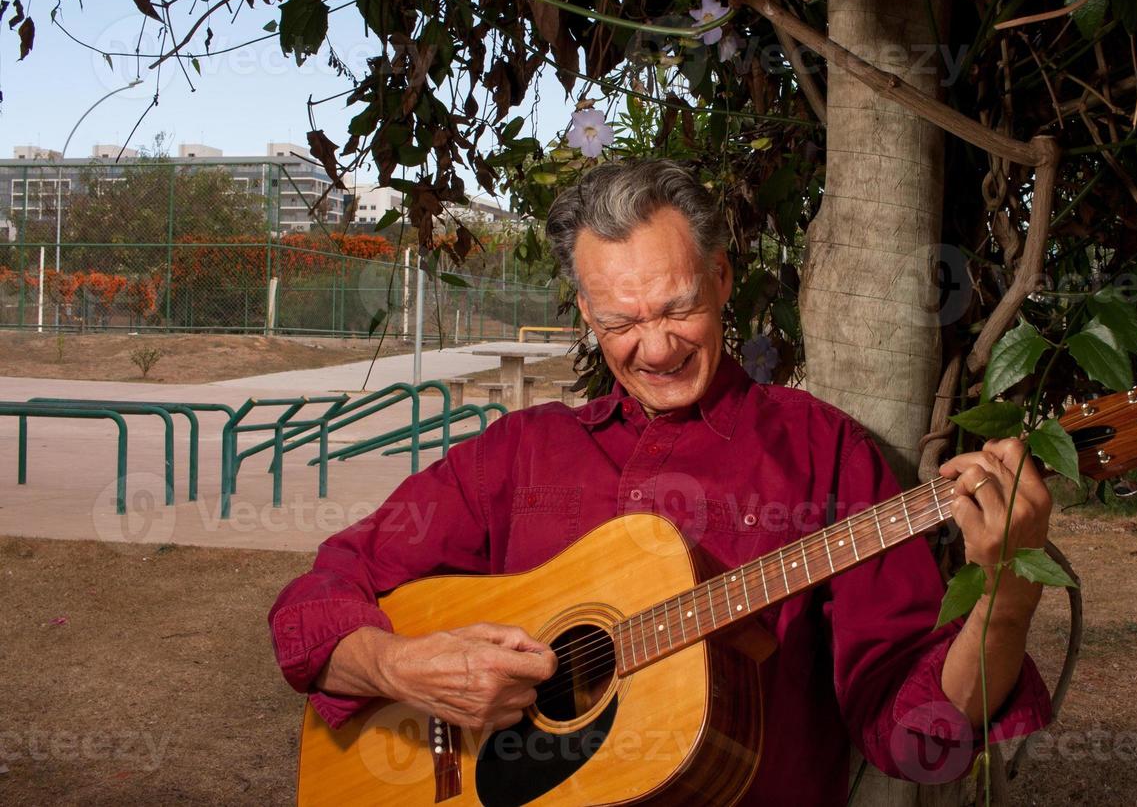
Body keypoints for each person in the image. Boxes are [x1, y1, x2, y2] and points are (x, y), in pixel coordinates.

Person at [269, 158, 1054, 803]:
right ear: (585, 314)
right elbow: (310, 614)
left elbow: (909, 727)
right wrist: (404, 669)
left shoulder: (821, 451)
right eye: (620, 322)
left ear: (719, 278)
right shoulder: (517, 455)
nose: (655, 347)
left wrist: (1007, 597)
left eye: (677, 308)